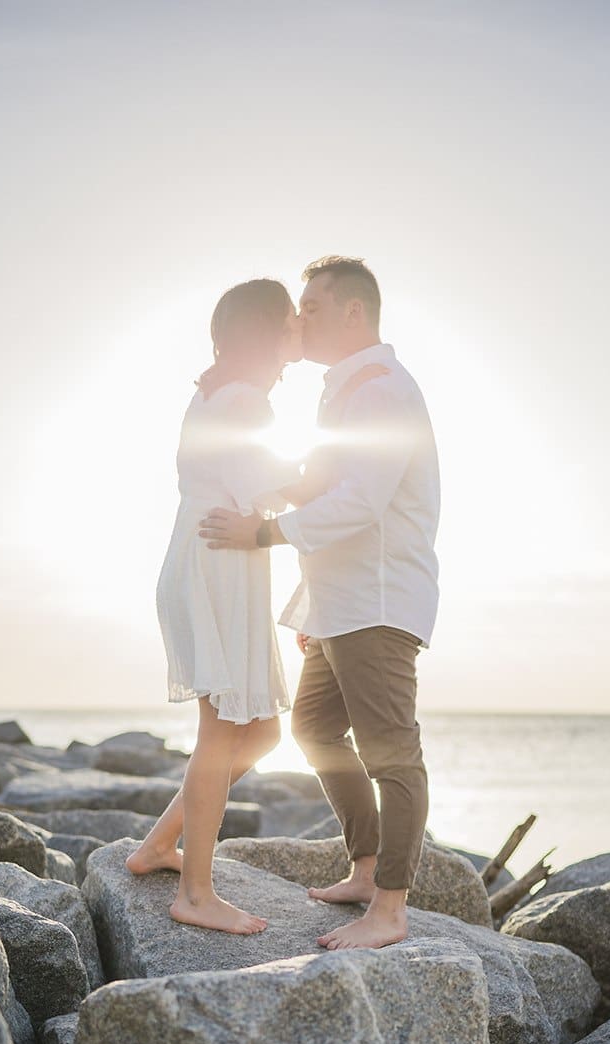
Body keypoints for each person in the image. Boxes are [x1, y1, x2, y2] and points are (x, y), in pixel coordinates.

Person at [198, 256, 441, 950]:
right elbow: (319, 487)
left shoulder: (381, 389)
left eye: (310, 307)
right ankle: (365, 868)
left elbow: (360, 502)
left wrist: (262, 533)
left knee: (392, 754)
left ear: (353, 314)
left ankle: (389, 911)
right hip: (342, 603)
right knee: (313, 730)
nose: (296, 320)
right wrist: (313, 606)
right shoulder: (346, 391)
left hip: (378, 601)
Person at [125, 278, 302, 935]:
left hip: (214, 563)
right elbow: (274, 487)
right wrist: (349, 476)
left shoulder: (215, 393)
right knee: (222, 730)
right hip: (215, 569)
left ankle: (155, 848)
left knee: (259, 732)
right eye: (289, 327)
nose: (296, 343)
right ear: (266, 334)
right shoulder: (244, 401)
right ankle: (195, 894)